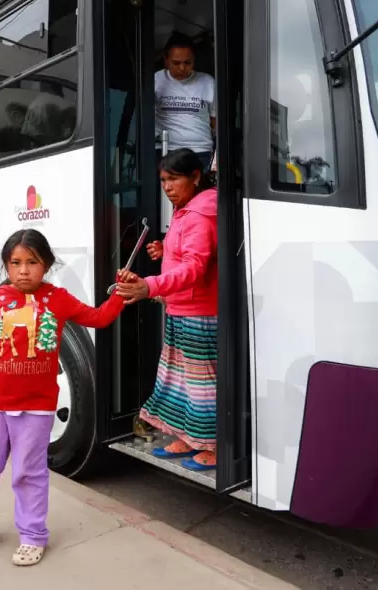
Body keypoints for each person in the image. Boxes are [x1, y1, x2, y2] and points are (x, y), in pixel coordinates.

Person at [0, 229, 134, 566]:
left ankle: (33, 535)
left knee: (28, 472)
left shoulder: (59, 299)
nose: (24, 270)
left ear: (47, 264)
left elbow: (99, 317)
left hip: (36, 409)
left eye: (32, 262)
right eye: (16, 263)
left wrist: (119, 293)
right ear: (7, 266)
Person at [117, 149, 219, 471]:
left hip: (198, 313)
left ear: (196, 177)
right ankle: (190, 439)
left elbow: (195, 268)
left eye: (174, 179)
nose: (167, 186)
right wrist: (165, 250)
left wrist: (150, 285)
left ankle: (214, 446)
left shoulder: (201, 215)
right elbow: (187, 256)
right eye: (163, 180)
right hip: (181, 308)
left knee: (201, 386)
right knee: (181, 382)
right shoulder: (185, 211)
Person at [154, 32, 216, 170]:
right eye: (176, 63)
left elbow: (215, 121)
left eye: (188, 63)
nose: (182, 68)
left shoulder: (208, 82)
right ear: (166, 59)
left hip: (200, 152)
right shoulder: (156, 81)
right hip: (166, 151)